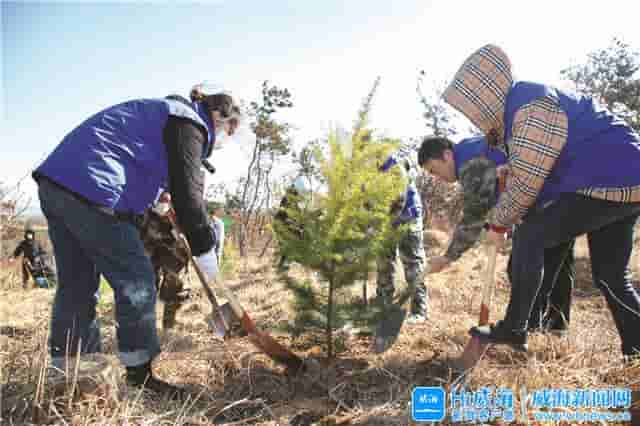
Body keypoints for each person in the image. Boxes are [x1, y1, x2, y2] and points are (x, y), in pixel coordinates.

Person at [32, 82, 243, 397]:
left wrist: (156, 196)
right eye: (231, 126)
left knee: (77, 283)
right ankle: (140, 376)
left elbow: (142, 164)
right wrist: (205, 248)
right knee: (137, 280)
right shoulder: (189, 122)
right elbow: (189, 196)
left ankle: (72, 375)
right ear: (217, 114)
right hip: (93, 186)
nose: (229, 135)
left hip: (57, 183)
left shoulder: (163, 116)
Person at [440, 44, 640, 357]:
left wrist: (498, 222)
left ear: (487, 94)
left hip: (608, 177)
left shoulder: (531, 107)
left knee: (531, 236)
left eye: (472, 106)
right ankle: (637, 351)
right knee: (611, 276)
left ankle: (515, 328)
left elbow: (527, 183)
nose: (474, 117)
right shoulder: (517, 113)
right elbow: (534, 173)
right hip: (625, 177)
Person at [418, 136, 576, 339]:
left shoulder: (469, 165)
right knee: (556, 263)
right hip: (561, 190)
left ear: (447, 155)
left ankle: (529, 329)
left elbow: (473, 218)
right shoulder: (472, 148)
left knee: (524, 268)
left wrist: (447, 257)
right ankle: (554, 328)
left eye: (433, 169)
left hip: (548, 198)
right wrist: (499, 225)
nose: (437, 177)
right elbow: (497, 192)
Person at [376, 148, 427, 323]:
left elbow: (399, 201)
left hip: (408, 217)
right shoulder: (364, 171)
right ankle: (384, 304)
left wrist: (380, 225)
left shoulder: (393, 167)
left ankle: (419, 310)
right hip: (385, 221)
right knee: (383, 262)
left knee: (412, 263)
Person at [273, 176, 310, 272]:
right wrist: (301, 225)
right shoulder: (289, 199)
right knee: (290, 243)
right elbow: (290, 215)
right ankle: (284, 267)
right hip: (283, 224)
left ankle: (284, 266)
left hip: (284, 223)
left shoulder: (293, 198)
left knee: (292, 244)